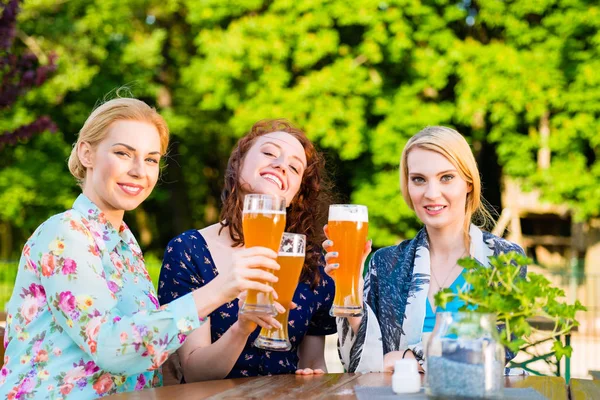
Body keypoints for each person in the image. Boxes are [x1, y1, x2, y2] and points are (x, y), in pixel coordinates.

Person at [0, 98, 276, 399]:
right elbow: (110, 347)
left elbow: (143, 352)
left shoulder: (124, 243)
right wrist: (219, 289)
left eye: (151, 159)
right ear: (86, 153)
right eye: (122, 153)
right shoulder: (65, 233)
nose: (138, 170)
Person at [325, 126, 526, 373]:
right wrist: (351, 294)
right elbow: (355, 363)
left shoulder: (504, 259)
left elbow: (501, 348)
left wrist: (411, 358)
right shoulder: (385, 263)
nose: (431, 194)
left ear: (469, 183)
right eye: (419, 179)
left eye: (446, 177)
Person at [158, 119, 336, 382]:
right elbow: (194, 372)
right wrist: (242, 328)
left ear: (296, 194)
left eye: (294, 167)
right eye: (268, 153)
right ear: (238, 164)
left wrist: (312, 375)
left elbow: (313, 361)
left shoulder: (309, 262)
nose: (281, 165)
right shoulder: (189, 250)